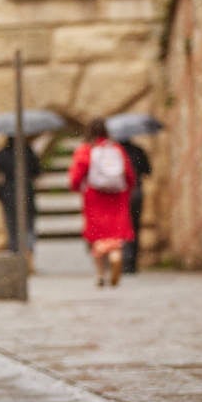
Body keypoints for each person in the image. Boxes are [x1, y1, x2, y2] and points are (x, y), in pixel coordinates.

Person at [68, 118, 136, 288]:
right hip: (117, 197)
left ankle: (100, 274)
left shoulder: (85, 150)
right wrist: (127, 189)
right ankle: (115, 256)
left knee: (98, 235)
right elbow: (129, 174)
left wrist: (76, 188)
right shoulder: (116, 149)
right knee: (115, 233)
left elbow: (76, 175)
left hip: (94, 197)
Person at [0, 136, 42, 268]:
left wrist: (1, 195)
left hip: (9, 195)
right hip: (26, 192)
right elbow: (37, 171)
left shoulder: (2, 154)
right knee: (28, 227)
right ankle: (29, 260)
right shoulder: (27, 151)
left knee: (13, 229)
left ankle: (16, 261)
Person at [118, 138, 151, 274]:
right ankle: (132, 262)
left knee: (121, 227)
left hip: (120, 195)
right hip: (136, 193)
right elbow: (148, 171)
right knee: (135, 227)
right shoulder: (138, 151)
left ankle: (122, 260)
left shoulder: (116, 152)